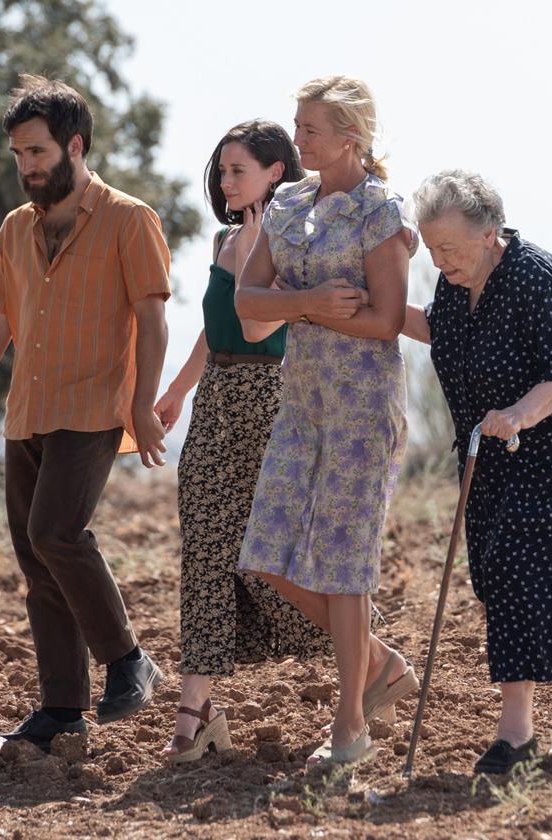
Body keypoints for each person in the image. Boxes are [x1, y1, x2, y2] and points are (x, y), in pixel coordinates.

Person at [0, 74, 172, 754]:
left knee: (55, 532)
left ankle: (128, 659)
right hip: (27, 414)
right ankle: (62, 709)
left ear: (74, 145)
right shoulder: (16, 229)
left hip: (93, 408)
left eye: (36, 152)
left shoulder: (131, 219)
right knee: (37, 562)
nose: (27, 167)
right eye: (18, 155)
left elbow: (153, 320)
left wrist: (142, 401)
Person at [401, 170, 552, 775]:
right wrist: (376, 308)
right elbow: (441, 331)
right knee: (500, 569)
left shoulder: (535, 276)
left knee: (527, 561)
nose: (439, 259)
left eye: (449, 247)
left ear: (489, 233)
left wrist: (520, 416)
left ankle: (516, 733)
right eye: (431, 248)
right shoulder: (454, 285)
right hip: (486, 444)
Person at [234, 76, 421, 768]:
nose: (299, 138)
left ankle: (350, 726)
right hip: (301, 406)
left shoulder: (380, 212)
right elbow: (250, 298)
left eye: (310, 128)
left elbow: (384, 320)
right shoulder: (284, 204)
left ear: (350, 136)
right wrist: (310, 303)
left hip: (362, 408)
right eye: (298, 125)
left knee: (345, 570)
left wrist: (297, 302)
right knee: (267, 554)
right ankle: (379, 663)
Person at [152, 121, 332, 764]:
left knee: (271, 557)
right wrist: (176, 390)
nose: (225, 182)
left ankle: (370, 659)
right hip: (215, 406)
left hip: (270, 404)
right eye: (222, 172)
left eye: (238, 171)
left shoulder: (285, 241)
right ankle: (193, 710)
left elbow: (259, 334)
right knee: (203, 551)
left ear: (275, 173)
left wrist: (261, 245)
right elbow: (216, 328)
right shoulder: (225, 238)